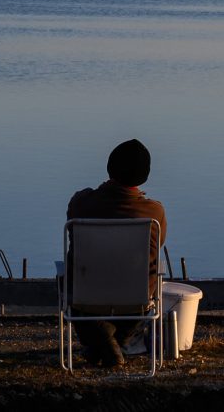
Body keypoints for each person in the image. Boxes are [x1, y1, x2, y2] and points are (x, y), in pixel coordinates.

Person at [65, 137, 167, 369]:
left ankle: (103, 345)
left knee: (65, 281)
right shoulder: (154, 212)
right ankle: (112, 344)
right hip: (136, 302)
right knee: (149, 279)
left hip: (85, 298)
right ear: (144, 175)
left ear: (110, 167)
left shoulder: (81, 203)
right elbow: (157, 247)